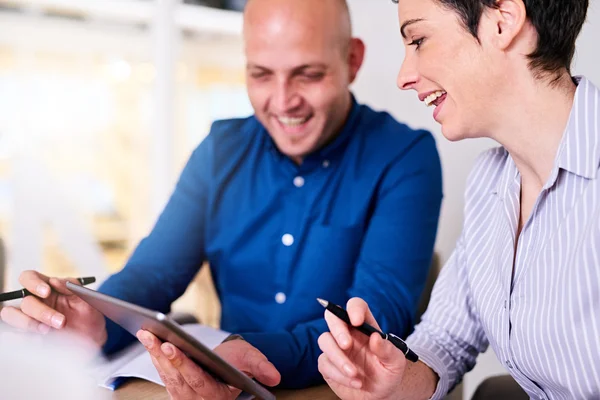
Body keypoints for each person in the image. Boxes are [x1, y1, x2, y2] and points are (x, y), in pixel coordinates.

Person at [0, 0, 443, 397]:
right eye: (261, 74)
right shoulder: (219, 149)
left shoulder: (405, 156)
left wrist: (239, 354)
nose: (283, 101)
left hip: (334, 388)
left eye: (308, 74)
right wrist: (94, 322)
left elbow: (377, 318)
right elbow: (152, 276)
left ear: (352, 60)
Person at [317, 0, 600, 399]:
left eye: (419, 39)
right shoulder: (489, 183)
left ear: (503, 22)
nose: (403, 77)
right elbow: (445, 340)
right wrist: (391, 380)